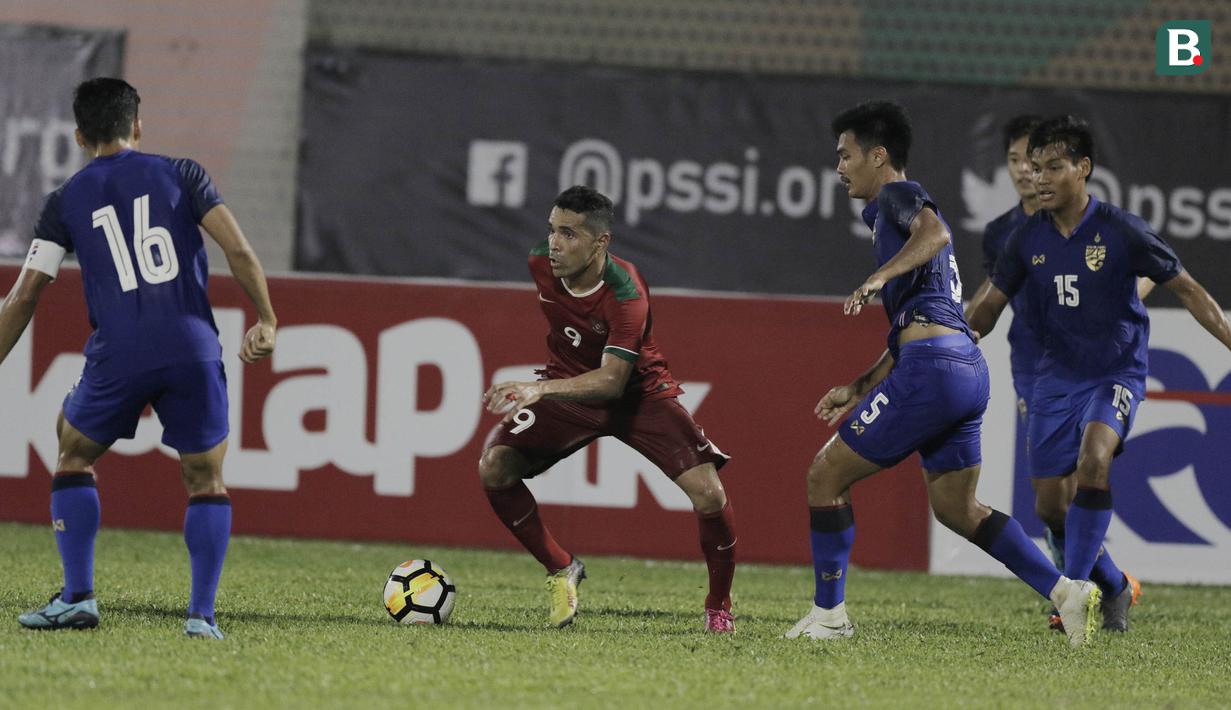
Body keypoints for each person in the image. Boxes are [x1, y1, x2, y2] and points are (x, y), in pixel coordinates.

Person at [784, 101, 1099, 647]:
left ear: (878, 156)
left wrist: (878, 276)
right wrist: (861, 385)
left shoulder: (899, 195)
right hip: (962, 370)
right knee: (958, 508)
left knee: (823, 477)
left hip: (934, 370)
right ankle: (1064, 591)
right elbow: (919, 319)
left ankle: (828, 616)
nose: (838, 167)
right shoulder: (884, 214)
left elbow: (936, 233)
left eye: (845, 154)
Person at [1, 78, 277, 639]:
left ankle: (78, 596)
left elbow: (26, 294)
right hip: (192, 347)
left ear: (80, 136)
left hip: (120, 351)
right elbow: (239, 250)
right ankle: (201, 616)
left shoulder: (65, 201)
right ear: (138, 125)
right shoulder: (184, 173)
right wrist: (267, 318)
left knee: (73, 454)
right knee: (207, 480)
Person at [968, 115, 1231, 632]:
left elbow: (1190, 291)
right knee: (1050, 508)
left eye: (1053, 167)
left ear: (1083, 169)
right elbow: (988, 308)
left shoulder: (1122, 229)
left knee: (1094, 458)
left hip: (1116, 371)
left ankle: (1075, 598)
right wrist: (946, 340)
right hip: (1052, 380)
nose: (1039, 177)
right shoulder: (1023, 239)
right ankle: (1113, 586)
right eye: (1033, 167)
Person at [480, 185, 737, 633]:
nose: (554, 244)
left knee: (710, 495)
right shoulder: (541, 263)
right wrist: (552, 386)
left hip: (639, 397)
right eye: (551, 230)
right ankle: (562, 568)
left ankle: (719, 605)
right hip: (571, 393)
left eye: (569, 234)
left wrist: (540, 390)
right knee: (494, 466)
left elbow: (613, 381)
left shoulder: (627, 293)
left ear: (601, 243)